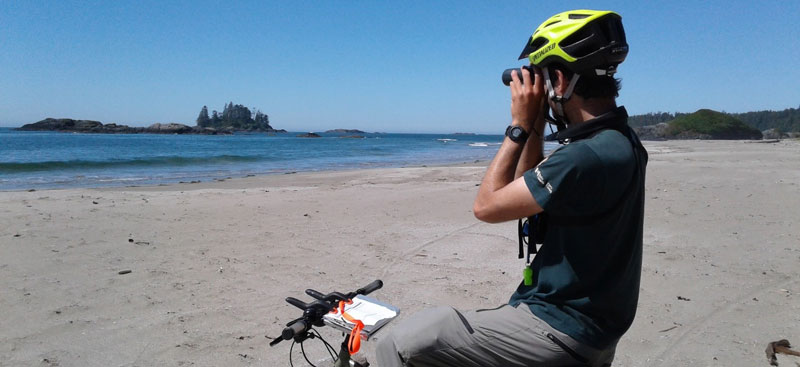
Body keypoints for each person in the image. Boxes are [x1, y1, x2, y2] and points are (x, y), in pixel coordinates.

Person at [375, 9, 648, 367]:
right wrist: (535, 123)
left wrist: (518, 126)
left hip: (557, 326)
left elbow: (486, 207)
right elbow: (530, 184)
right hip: (594, 328)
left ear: (561, 82)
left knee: (400, 344)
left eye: (545, 77)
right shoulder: (620, 142)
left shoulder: (585, 156)